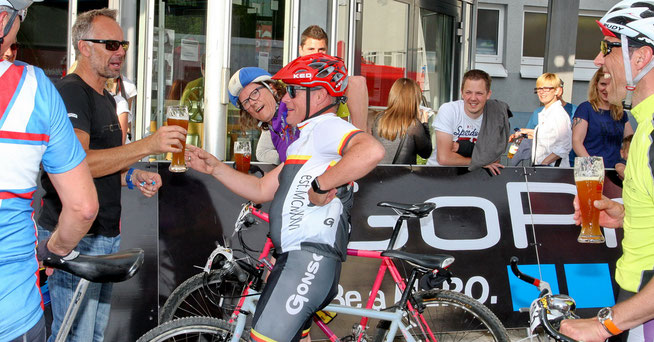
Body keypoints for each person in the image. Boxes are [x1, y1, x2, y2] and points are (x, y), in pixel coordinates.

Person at [186, 53, 384, 342]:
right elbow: (262, 189)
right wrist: (215, 168)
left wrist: (321, 185)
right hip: (292, 261)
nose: (286, 99)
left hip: (308, 260)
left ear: (319, 96)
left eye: (293, 91)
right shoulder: (304, 140)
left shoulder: (327, 126)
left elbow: (371, 151)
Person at [36, 8, 186, 342]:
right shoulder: (72, 91)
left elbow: (100, 166)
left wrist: (131, 177)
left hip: (103, 235)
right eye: (110, 44)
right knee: (76, 336)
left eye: (124, 44)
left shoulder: (105, 95)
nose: (119, 51)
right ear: (84, 46)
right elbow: (77, 164)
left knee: (93, 335)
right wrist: (149, 145)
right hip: (77, 236)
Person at [0, 1, 99, 341]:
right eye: (21, 18)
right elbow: (83, 207)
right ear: (3, 20)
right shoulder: (35, 88)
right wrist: (54, 248)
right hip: (12, 314)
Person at [559, 1, 654, 340]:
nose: (598, 61)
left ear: (641, 58)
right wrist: (626, 214)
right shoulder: (643, 127)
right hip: (635, 296)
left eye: (608, 48)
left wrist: (604, 324)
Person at [426, 69, 510, 175]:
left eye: (479, 93)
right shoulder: (449, 110)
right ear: (462, 93)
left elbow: (494, 158)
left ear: (488, 94)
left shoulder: (495, 115)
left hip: (472, 178)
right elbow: (444, 158)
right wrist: (480, 162)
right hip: (438, 175)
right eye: (468, 92)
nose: (473, 98)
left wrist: (463, 154)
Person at [299, 25, 369, 131]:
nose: (316, 54)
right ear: (301, 50)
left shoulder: (335, 82)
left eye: (321, 49)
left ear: (327, 50)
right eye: (311, 49)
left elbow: (342, 120)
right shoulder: (287, 81)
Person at [228, 67, 294, 165]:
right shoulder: (271, 124)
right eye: (246, 102)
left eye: (254, 93)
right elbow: (262, 153)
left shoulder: (294, 111)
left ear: (272, 88)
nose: (252, 103)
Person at [572, 67, 633, 171]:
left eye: (611, 85)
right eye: (603, 84)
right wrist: (592, 166)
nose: (606, 89)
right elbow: (576, 141)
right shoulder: (585, 108)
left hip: (615, 172)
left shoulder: (620, 112)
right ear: (596, 85)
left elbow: (631, 141)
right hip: (590, 171)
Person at [512, 73, 572, 167]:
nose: (541, 92)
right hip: (543, 168)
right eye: (539, 89)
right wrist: (528, 132)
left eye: (546, 88)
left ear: (557, 91)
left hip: (552, 171)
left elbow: (565, 145)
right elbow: (549, 136)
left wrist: (545, 163)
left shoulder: (558, 114)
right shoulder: (546, 112)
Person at [371, 78, 432, 164]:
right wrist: (425, 123)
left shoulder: (379, 119)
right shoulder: (413, 125)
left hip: (380, 174)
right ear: (414, 100)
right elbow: (426, 153)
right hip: (402, 175)